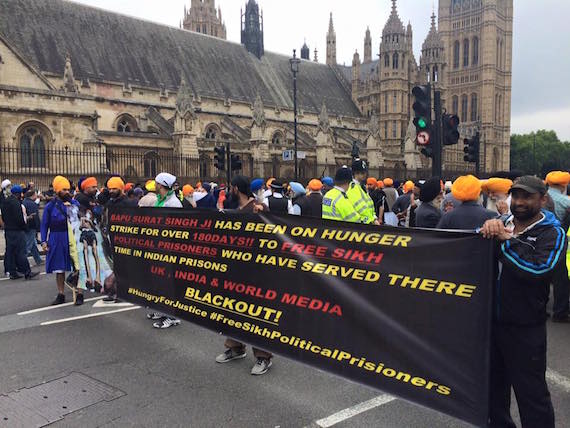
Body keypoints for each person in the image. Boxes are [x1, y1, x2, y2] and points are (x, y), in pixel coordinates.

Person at [481, 176, 567, 428]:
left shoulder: (553, 233)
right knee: (494, 395)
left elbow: (539, 269)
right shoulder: (501, 223)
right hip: (491, 325)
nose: (519, 202)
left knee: (532, 398)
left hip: (525, 330)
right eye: (516, 196)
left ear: (543, 199)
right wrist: (486, 228)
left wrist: (506, 243)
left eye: (527, 197)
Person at [215, 175, 274, 375]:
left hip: (256, 273)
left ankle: (263, 357)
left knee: (256, 314)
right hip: (235, 269)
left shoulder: (258, 208)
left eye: (230, 188)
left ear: (236, 189)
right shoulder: (233, 210)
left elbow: (271, 232)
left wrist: (263, 213)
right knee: (233, 309)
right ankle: (235, 347)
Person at [41, 176, 81, 305]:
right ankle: (61, 294)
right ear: (57, 190)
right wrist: (43, 241)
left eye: (68, 189)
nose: (67, 192)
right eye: (64, 189)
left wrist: (71, 208)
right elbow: (44, 224)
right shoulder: (50, 206)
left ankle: (79, 292)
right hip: (56, 237)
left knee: (77, 266)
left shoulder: (74, 204)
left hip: (72, 237)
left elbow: (80, 217)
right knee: (59, 269)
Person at [545, 171, 570, 322]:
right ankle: (560, 311)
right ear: (564, 185)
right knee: (560, 281)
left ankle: (540, 308)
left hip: (540, 242)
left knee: (541, 278)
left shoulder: (540, 198)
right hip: (558, 244)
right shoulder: (566, 202)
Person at [2, 185, 39, 280]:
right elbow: (19, 218)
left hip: (8, 230)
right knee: (21, 252)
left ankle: (12, 272)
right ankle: (27, 272)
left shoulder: (5, 201)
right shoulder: (16, 203)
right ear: (18, 193)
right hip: (17, 230)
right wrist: (25, 227)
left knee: (11, 251)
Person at [347, 159, 377, 224]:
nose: (365, 175)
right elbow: (360, 207)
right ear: (355, 173)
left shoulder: (360, 186)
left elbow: (369, 205)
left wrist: (374, 217)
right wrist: (372, 220)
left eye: (365, 172)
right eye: (362, 173)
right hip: (363, 223)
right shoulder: (353, 187)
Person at [22, 189, 43, 266]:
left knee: (33, 244)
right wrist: (38, 227)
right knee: (28, 245)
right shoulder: (32, 204)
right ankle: (22, 262)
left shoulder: (24, 202)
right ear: (33, 195)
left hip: (26, 226)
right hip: (31, 226)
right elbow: (35, 216)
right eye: (35, 195)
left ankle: (38, 260)